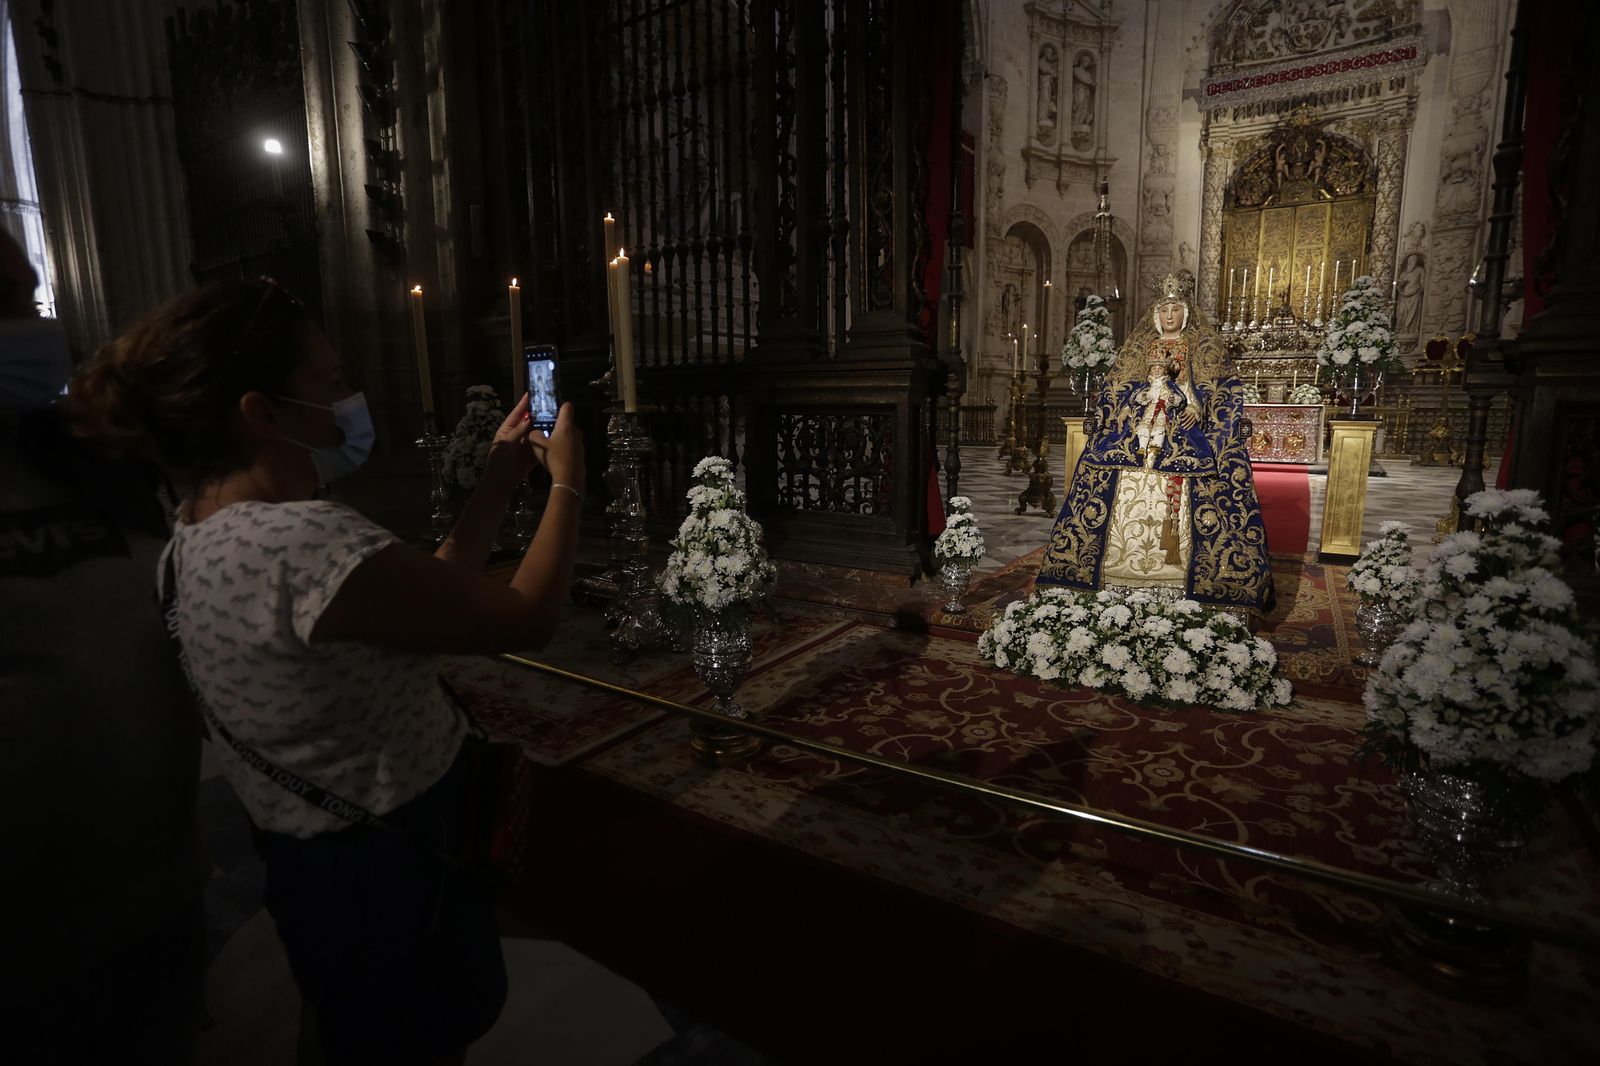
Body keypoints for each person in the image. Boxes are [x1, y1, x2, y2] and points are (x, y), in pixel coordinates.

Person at [67, 277, 585, 1065]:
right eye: (333, 383)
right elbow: (528, 618)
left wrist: (498, 482)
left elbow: (418, 591)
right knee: (412, 1035)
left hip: (310, 855)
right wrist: (568, 483)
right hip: (394, 866)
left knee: (356, 1027)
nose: (352, 399)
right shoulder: (304, 543)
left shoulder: (197, 535)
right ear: (262, 412)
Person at [0, 232, 207, 1061]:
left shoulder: (78, 456)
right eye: (2, 305)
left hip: (157, 898)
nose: (29, 328)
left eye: (25, 300)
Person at [1039, 272, 1272, 612]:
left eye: (1175, 310)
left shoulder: (1201, 346)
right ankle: (1114, 570)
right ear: (1155, 315)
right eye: (1164, 310)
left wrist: (1195, 404)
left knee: (1197, 475)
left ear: (1185, 314)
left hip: (1183, 426)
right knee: (1110, 469)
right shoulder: (1140, 348)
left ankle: (1181, 574)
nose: (1169, 316)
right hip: (1141, 428)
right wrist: (1135, 403)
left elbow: (1207, 387)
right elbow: (1120, 386)